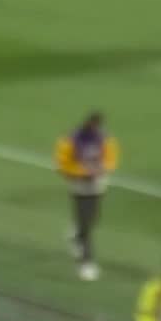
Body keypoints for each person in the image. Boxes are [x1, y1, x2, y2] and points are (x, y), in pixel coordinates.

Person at [56, 111, 120, 282]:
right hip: (79, 187)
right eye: (93, 126)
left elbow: (111, 159)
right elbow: (63, 164)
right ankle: (86, 263)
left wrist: (102, 169)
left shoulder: (104, 139)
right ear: (87, 124)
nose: (95, 129)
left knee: (92, 219)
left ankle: (76, 234)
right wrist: (83, 172)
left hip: (97, 186)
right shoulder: (72, 139)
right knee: (85, 225)